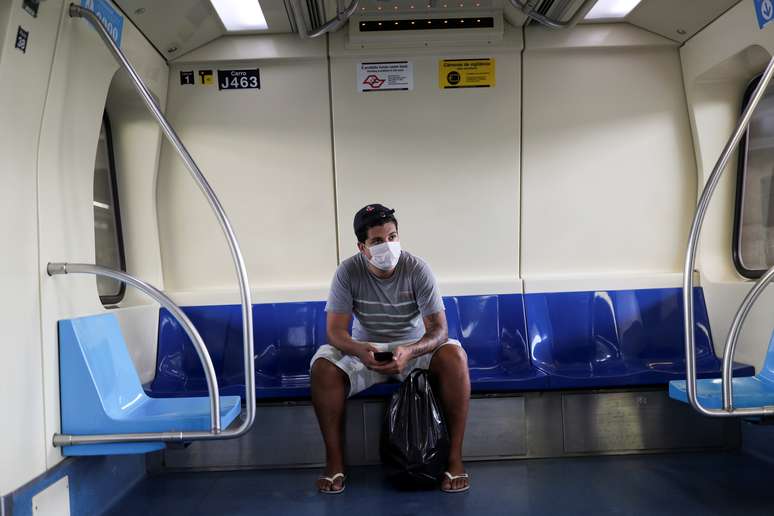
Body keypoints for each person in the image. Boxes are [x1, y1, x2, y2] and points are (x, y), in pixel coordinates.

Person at [309, 203, 471, 494]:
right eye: (378, 241)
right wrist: (359, 350)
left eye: (393, 237)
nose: (389, 246)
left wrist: (410, 351)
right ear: (362, 246)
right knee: (323, 367)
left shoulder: (417, 268)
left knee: (454, 356)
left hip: (412, 350)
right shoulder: (347, 272)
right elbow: (335, 332)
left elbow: (439, 330)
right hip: (365, 350)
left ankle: (454, 460)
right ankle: (334, 463)